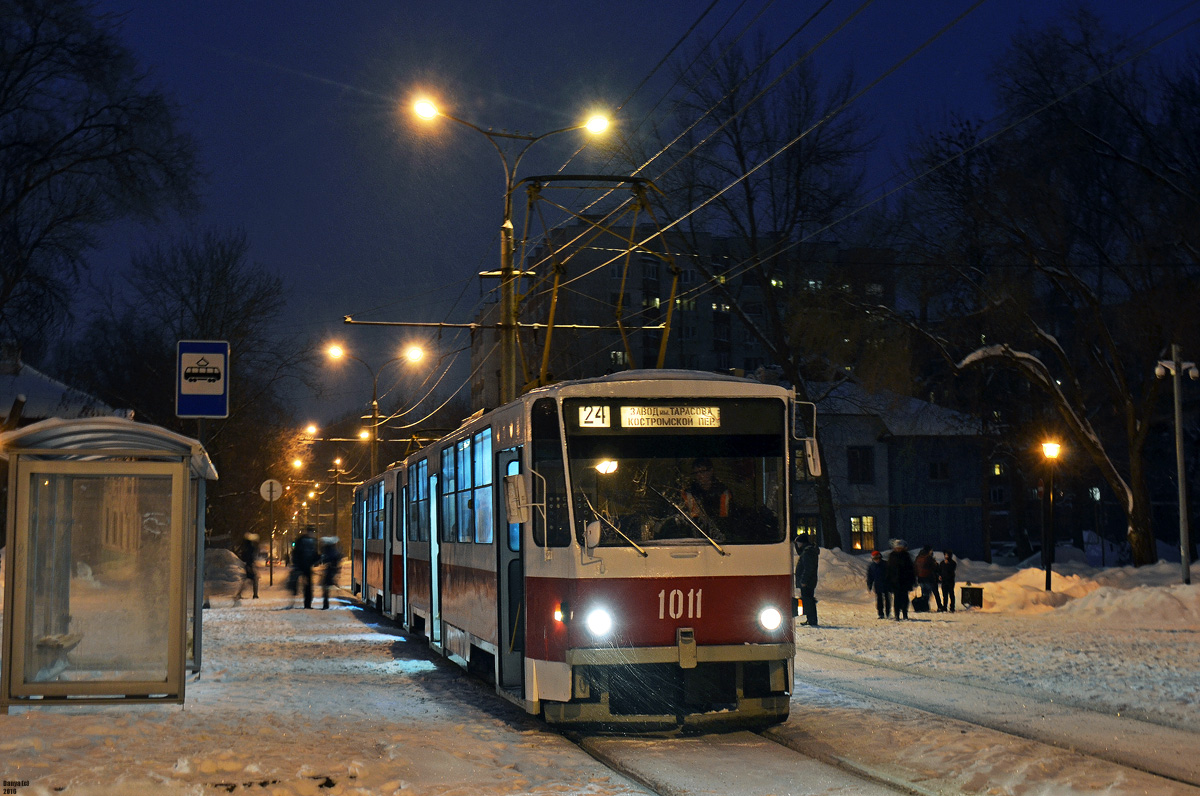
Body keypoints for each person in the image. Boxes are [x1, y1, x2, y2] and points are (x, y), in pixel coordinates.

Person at [681, 457, 731, 533]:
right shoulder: (690, 492)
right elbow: (694, 516)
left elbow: (725, 517)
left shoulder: (722, 491)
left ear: (711, 471)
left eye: (702, 472)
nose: (699, 476)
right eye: (696, 473)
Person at [886, 539, 915, 620]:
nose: (898, 549)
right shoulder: (892, 556)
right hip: (895, 582)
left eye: (900, 548)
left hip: (904, 581)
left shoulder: (906, 556)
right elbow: (889, 569)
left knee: (905, 598)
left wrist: (912, 581)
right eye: (897, 548)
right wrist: (888, 581)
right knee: (897, 599)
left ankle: (905, 614)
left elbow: (911, 570)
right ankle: (897, 615)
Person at [794, 534, 820, 627]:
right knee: (808, 600)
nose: (798, 545)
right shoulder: (808, 551)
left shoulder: (808, 552)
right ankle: (810, 619)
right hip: (809, 581)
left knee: (808, 600)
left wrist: (804, 581)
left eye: (798, 543)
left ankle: (812, 619)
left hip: (808, 582)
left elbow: (808, 568)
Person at [291, 527, 319, 609]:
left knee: (303, 584)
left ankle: (295, 592)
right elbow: (313, 554)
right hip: (306, 567)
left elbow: (295, 553)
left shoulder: (300, 540)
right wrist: (316, 559)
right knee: (308, 586)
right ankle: (307, 604)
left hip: (301, 566)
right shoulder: (312, 542)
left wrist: (295, 563)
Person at [914, 544, 943, 612]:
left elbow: (915, 567)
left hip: (921, 579)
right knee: (935, 593)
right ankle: (939, 606)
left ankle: (924, 607)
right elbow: (934, 567)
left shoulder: (918, 557)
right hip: (930, 578)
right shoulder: (928, 558)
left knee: (924, 594)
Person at [319, 536, 343, 610]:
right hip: (332, 570)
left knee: (325, 587)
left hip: (329, 570)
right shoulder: (334, 550)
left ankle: (326, 605)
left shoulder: (327, 550)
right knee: (327, 586)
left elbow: (324, 559)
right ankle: (326, 604)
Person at [233, 533, 259, 601]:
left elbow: (244, 556)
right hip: (249, 565)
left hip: (248, 565)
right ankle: (255, 594)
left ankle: (239, 594)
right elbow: (250, 557)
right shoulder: (251, 548)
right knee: (254, 579)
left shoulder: (245, 547)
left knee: (248, 580)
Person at [866, 550, 891, 619]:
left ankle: (888, 612)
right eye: (875, 558)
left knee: (887, 599)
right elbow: (870, 576)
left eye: (877, 558)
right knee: (879, 600)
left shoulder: (886, 564)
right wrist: (869, 584)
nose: (877, 560)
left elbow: (890, 574)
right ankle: (881, 613)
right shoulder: (872, 566)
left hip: (886, 584)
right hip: (878, 585)